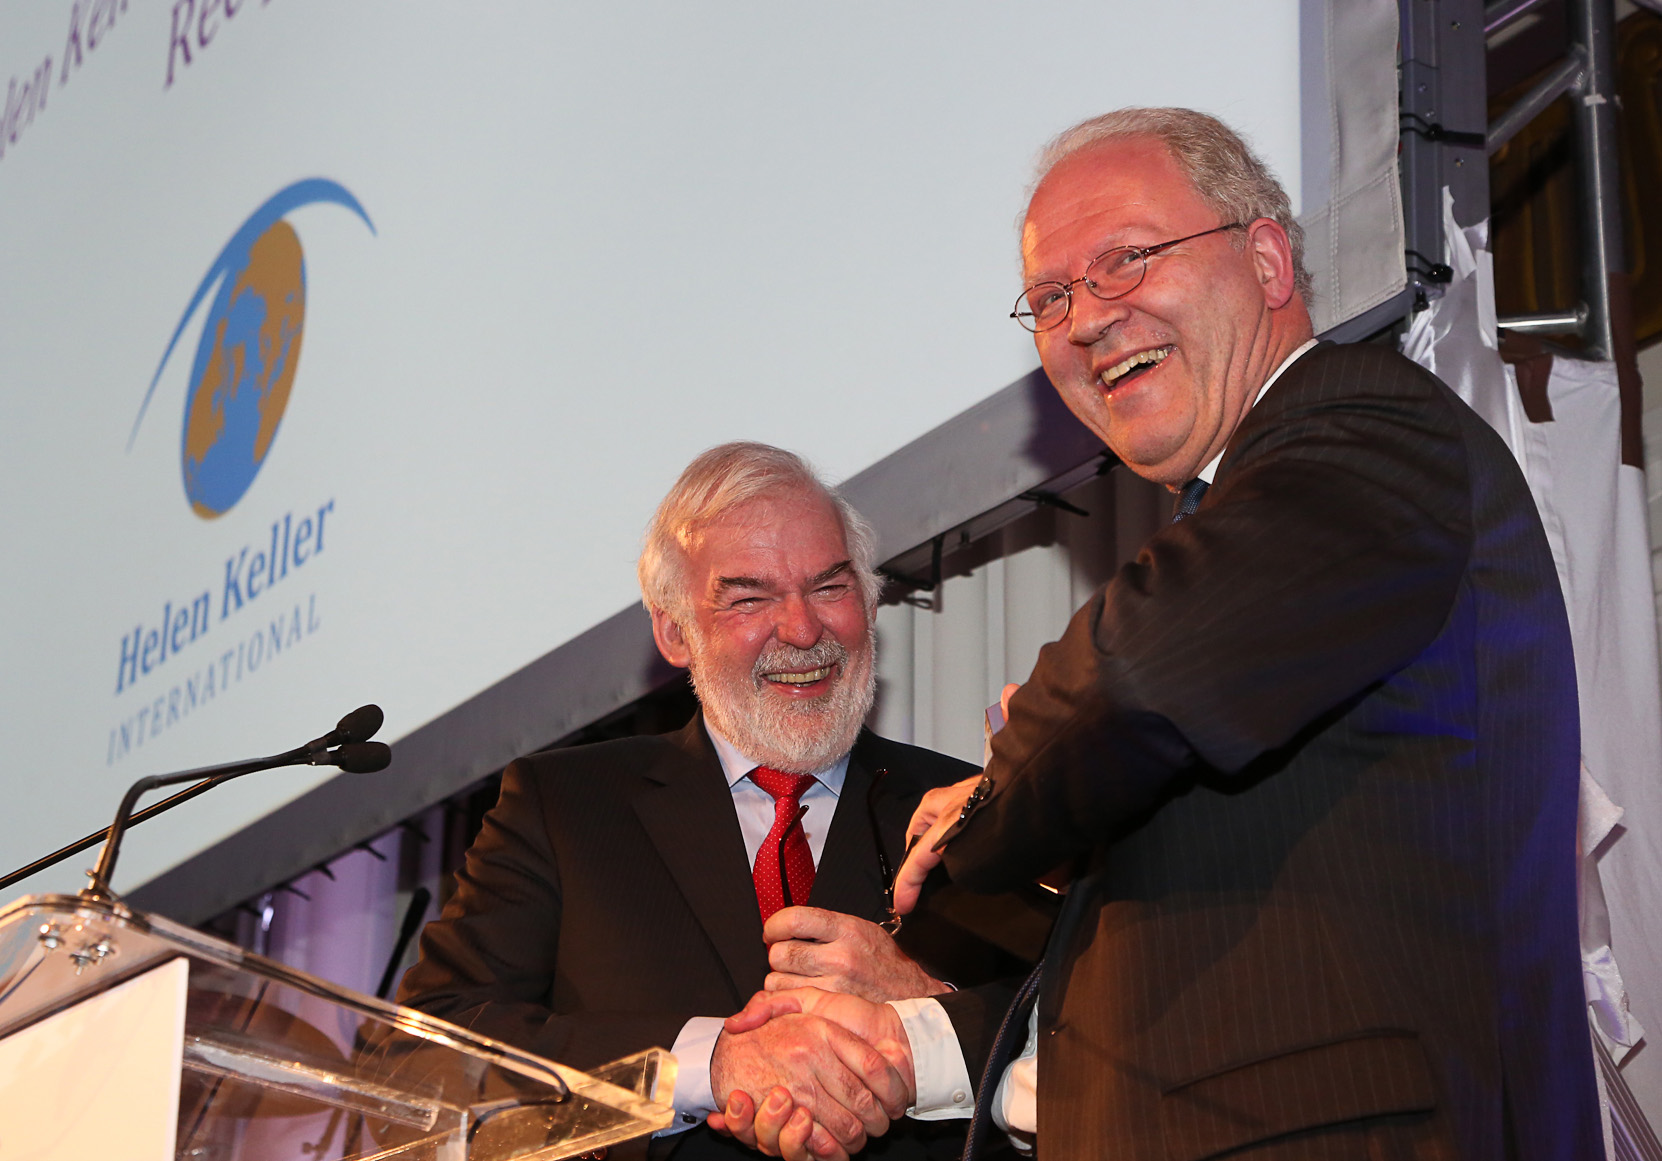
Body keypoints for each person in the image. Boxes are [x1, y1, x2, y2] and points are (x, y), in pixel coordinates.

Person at [718, 109, 1602, 1159]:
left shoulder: (1363, 424)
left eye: (1127, 261)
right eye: (1051, 298)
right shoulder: (1261, 527)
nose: (1087, 318)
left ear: (1267, 259)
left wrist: (996, 801)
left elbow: (1131, 673)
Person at [397, 442, 1009, 1161]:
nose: (804, 630)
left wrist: (922, 1000)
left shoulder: (973, 807)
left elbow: (1075, 1035)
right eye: (750, 597)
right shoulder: (565, 806)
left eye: (829, 587)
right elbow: (423, 1054)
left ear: (869, 598)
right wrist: (710, 1063)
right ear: (674, 632)